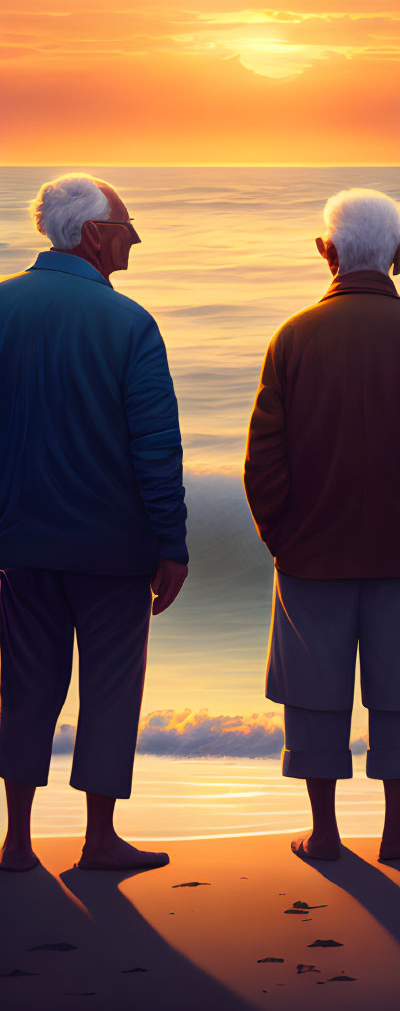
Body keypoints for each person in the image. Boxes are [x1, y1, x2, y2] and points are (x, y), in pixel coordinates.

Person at [244, 189, 400, 863]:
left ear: (326, 252)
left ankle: (323, 833)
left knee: (313, 693)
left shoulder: (291, 337)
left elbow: (263, 459)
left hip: (310, 552)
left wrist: (280, 537)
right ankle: (395, 830)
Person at [0, 174, 188, 873]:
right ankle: (99, 840)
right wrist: (171, 542)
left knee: (23, 689)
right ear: (94, 235)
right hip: (112, 548)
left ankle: (16, 840)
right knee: (110, 689)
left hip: (20, 541)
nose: (134, 238)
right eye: (127, 226)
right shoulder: (129, 322)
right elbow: (155, 447)